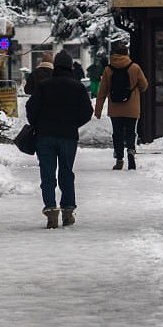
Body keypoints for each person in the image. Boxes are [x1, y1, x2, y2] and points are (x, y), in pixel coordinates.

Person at [26, 51, 93, 229]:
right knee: (66, 173)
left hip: (45, 136)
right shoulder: (77, 87)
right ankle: (68, 210)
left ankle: (50, 211)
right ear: (70, 66)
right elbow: (87, 112)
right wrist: (73, 123)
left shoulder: (44, 85)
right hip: (68, 136)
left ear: (55, 66)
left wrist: (38, 123)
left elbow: (31, 108)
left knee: (47, 174)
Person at [93, 42, 149, 170]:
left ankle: (119, 159)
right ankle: (130, 153)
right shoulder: (135, 67)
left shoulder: (108, 70)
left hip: (115, 108)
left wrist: (98, 110)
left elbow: (102, 91)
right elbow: (144, 86)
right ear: (126, 53)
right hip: (132, 108)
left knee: (117, 133)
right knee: (131, 132)